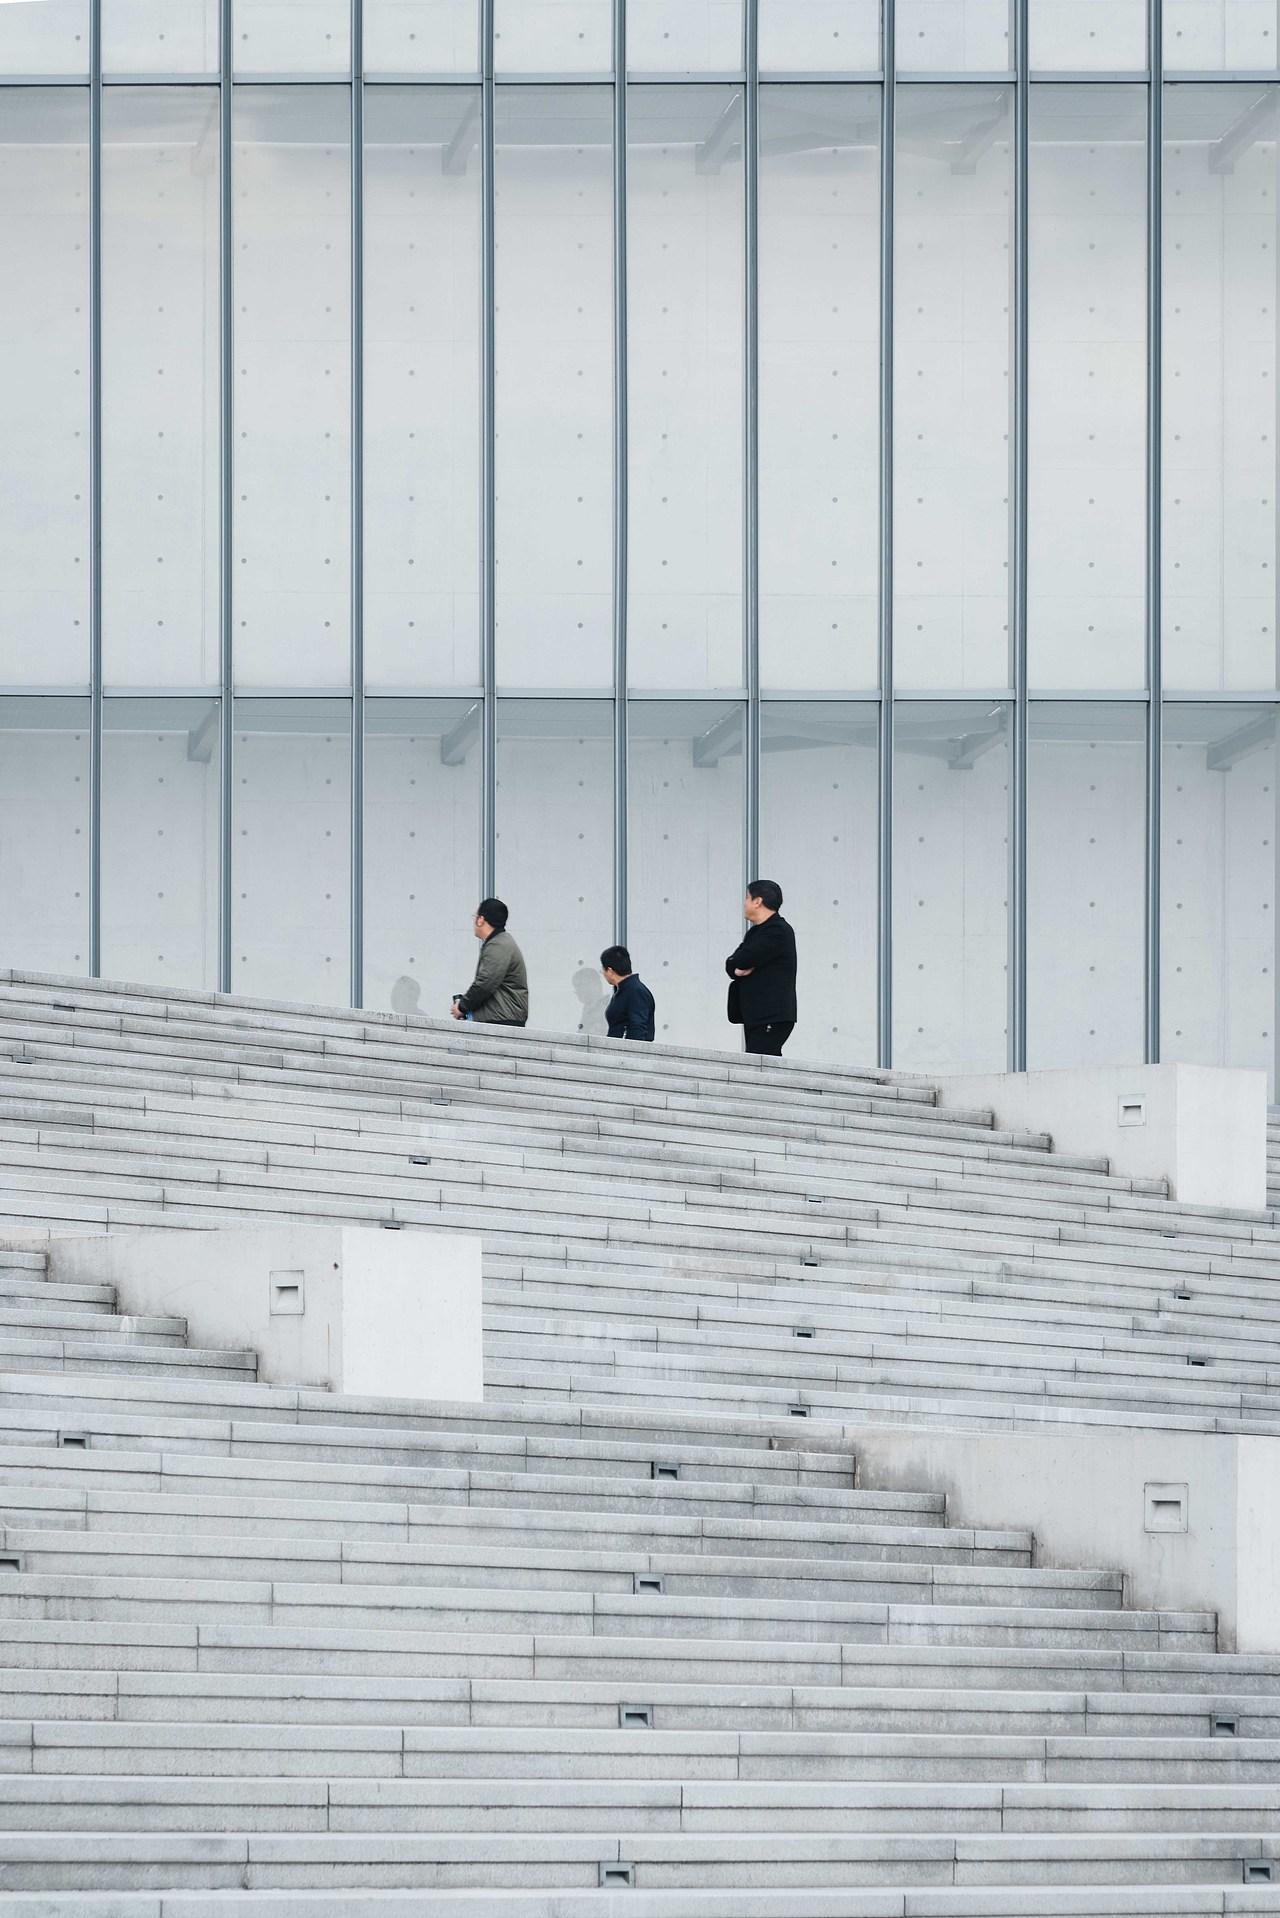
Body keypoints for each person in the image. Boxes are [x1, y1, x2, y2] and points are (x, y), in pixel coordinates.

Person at [725, 879, 797, 1057]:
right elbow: (732, 963)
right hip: (756, 1015)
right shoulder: (755, 932)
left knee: (759, 1063)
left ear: (757, 901)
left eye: (747, 898)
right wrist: (736, 968)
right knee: (758, 1063)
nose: (744, 903)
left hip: (772, 1015)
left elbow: (744, 959)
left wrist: (738, 965)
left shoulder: (778, 930)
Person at [451, 899, 529, 1027]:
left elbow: (485, 984)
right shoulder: (500, 942)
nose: (474, 921)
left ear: (481, 920)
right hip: (501, 1018)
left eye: (474, 916)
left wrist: (461, 1007)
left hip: (501, 1021)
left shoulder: (498, 945)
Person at [601, 946, 656, 1043]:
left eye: (603, 970)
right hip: (617, 1048)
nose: (603, 973)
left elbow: (638, 1029)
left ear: (609, 971)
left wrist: (630, 1051)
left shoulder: (635, 991)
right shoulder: (624, 990)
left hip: (627, 1050)